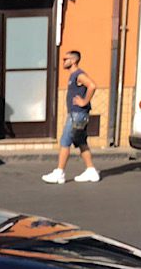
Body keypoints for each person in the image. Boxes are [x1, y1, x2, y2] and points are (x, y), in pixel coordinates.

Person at [42, 50, 100, 183]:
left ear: (73, 61)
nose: (63, 61)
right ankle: (91, 171)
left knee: (65, 141)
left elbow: (92, 85)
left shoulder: (79, 75)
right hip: (78, 114)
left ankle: (59, 173)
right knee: (80, 141)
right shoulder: (73, 75)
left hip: (77, 114)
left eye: (65, 59)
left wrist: (84, 101)